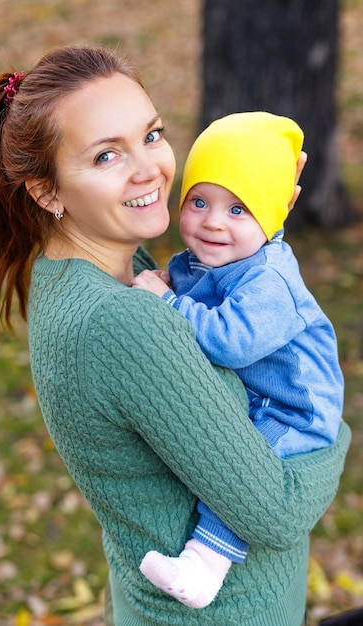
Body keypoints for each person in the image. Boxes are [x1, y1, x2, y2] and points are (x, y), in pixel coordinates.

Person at [0, 45, 350, 626]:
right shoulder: (127, 321)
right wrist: (334, 428)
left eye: (151, 134)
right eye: (106, 155)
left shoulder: (88, 272)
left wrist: (256, 213)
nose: (149, 168)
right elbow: (278, 512)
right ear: (46, 191)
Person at [131, 111, 345, 609]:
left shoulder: (270, 282)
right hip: (263, 395)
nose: (211, 221)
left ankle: (204, 566)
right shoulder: (205, 259)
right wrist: (170, 286)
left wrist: (167, 304)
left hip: (295, 410)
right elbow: (192, 291)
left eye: (238, 210)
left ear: (273, 215)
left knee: (250, 471)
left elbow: (230, 342)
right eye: (199, 201)